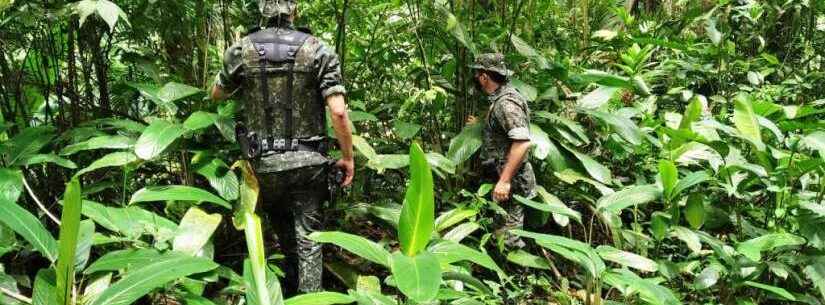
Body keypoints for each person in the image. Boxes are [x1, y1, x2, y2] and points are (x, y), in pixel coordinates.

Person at [210, 0, 354, 295]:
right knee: (309, 241)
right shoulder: (318, 49)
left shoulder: (241, 50)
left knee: (285, 234)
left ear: (261, 10)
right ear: (295, 11)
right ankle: (309, 298)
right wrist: (348, 158)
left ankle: (286, 294)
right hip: (308, 165)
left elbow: (216, 94)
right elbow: (338, 111)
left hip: (264, 166)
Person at [470, 53, 536, 247]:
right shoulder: (501, 98)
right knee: (500, 234)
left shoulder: (506, 104)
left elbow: (522, 142)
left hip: (512, 183)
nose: (476, 78)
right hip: (504, 180)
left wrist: (505, 181)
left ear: (484, 77)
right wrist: (482, 123)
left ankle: (519, 275)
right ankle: (505, 272)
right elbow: (503, 130)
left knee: (508, 241)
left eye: (477, 74)